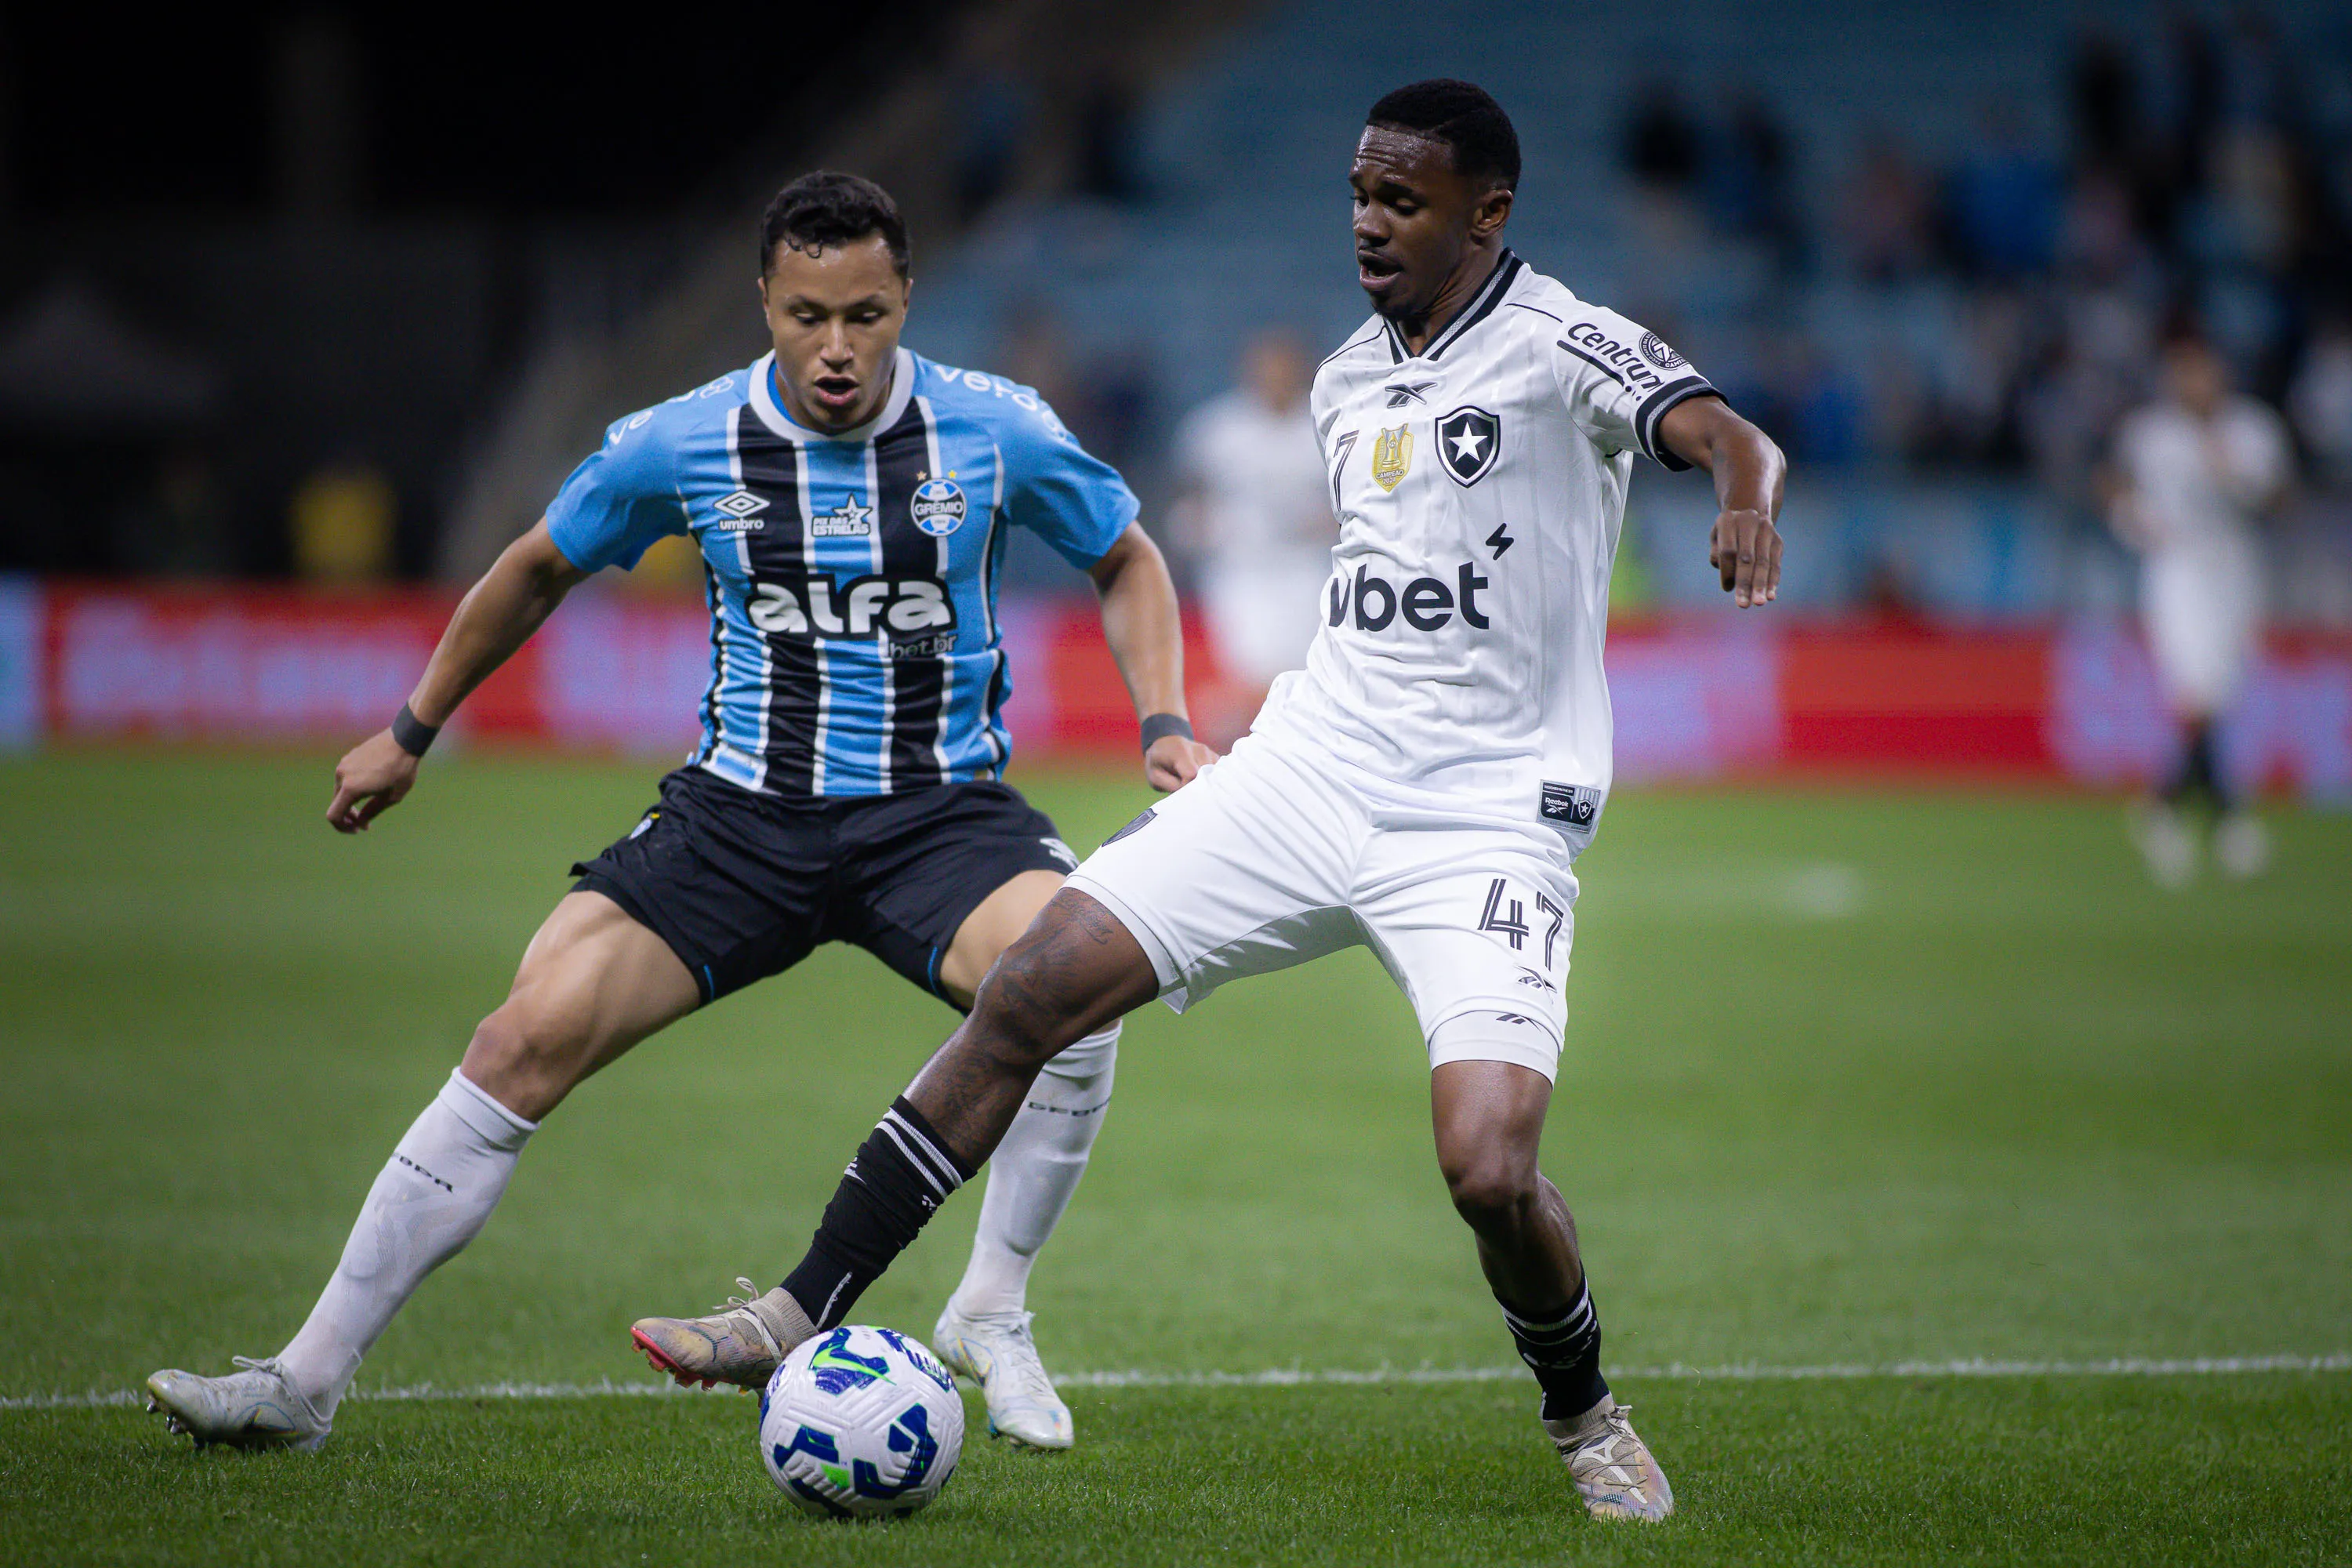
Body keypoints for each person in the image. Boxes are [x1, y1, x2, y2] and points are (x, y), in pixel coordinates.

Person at [634, 82, 1786, 1526]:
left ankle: (1586, 1414)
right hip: (1310, 769)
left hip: (1487, 818)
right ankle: (797, 1310)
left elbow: (1728, 432)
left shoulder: (1559, 342)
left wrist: (1743, 498)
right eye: (1360, 194)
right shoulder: (1347, 380)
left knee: (1489, 1168)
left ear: (1487, 213)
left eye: (1404, 200)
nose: (1368, 223)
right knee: (1034, 985)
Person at [141, 172, 1214, 1454]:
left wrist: (1163, 720)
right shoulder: (683, 440)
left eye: (865, 315)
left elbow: (1126, 554)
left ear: (906, 300)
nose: (835, 347)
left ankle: (992, 1307)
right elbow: (536, 567)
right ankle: (301, 1384)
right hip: (738, 820)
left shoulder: (993, 430)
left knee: (1080, 982)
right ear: (764, 300)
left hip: (940, 816)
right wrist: (411, 729)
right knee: (519, 1040)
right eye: (807, 315)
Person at [2106, 333, 2289, 884]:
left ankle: (2171, 809)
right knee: (2196, 693)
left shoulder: (2251, 429)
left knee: (2219, 694)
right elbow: (2113, 484)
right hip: (2179, 572)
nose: (2197, 384)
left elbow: (2279, 498)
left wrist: (2231, 471)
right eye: (2185, 374)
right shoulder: (2150, 433)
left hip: (2235, 570)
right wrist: (2133, 519)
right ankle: (2222, 819)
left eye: (2204, 372)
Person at [1171, 328, 1336, 716]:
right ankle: (1242, 734)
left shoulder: (1327, 425)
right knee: (1252, 667)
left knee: (1304, 668)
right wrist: (1204, 528)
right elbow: (1189, 500)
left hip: (1309, 568)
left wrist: (1322, 524)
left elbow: (1351, 504)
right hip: (1240, 570)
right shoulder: (1216, 429)